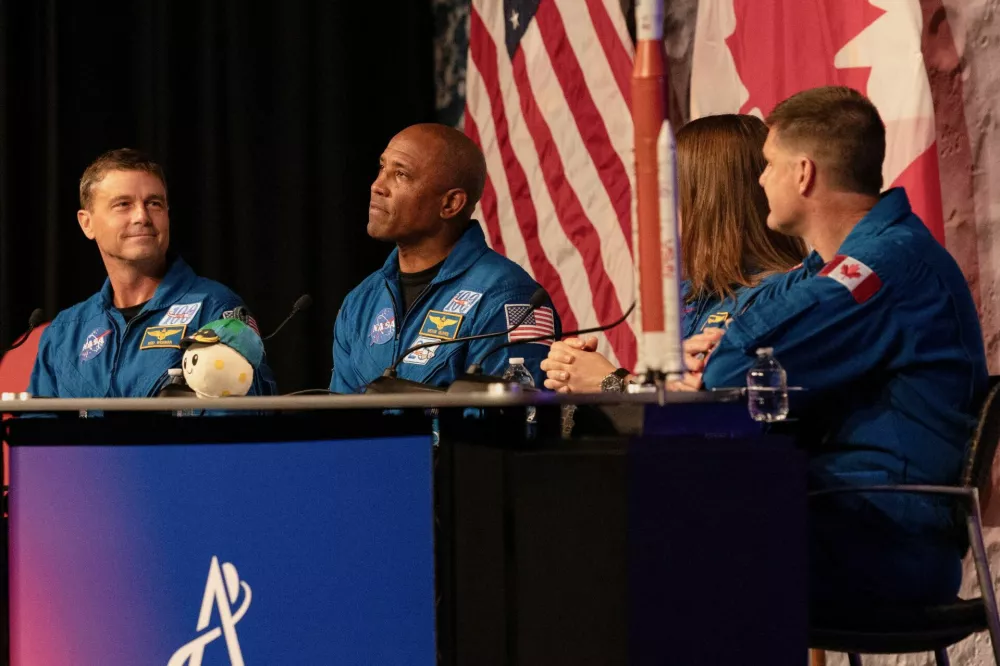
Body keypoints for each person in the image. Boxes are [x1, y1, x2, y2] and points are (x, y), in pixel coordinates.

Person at [686, 86, 988, 606]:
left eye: (767, 165)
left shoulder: (883, 269)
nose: (760, 180)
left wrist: (724, 352)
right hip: (844, 521)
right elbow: (748, 334)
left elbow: (731, 370)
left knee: (655, 550)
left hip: (883, 543)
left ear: (803, 173)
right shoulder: (838, 266)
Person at [540, 114, 805, 393]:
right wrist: (576, 370)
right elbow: (668, 400)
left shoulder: (785, 295)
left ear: (709, 205)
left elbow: (726, 414)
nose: (654, 215)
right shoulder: (686, 292)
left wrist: (612, 383)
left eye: (666, 197)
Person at [28, 148, 276, 399]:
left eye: (154, 203)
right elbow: (37, 433)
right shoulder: (65, 331)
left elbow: (241, 426)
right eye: (123, 204)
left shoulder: (215, 310)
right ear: (86, 223)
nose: (142, 216)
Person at [330, 123, 559, 393]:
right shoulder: (361, 301)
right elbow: (339, 420)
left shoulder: (510, 298)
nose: (377, 186)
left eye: (401, 174)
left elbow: (516, 424)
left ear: (450, 204)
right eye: (382, 168)